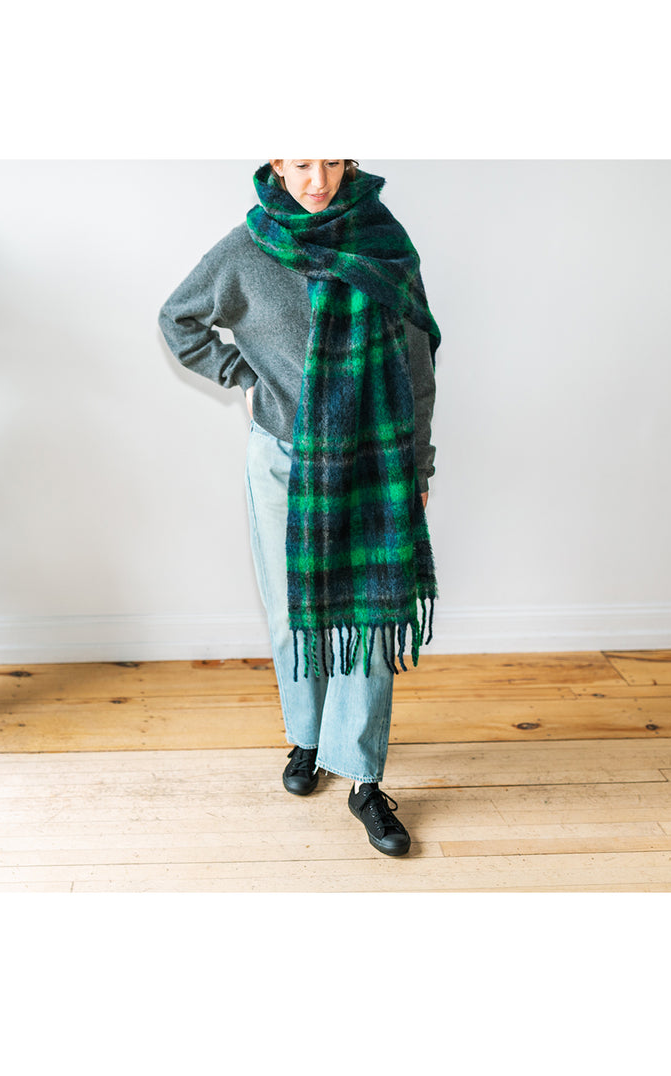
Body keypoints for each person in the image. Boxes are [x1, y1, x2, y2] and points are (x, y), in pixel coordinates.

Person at [158, 159, 441, 857]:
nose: (318, 179)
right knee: (293, 610)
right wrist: (241, 376)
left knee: (370, 616)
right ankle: (308, 739)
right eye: (303, 161)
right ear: (278, 161)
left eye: (332, 160)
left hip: (373, 458)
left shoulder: (383, 241)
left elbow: (417, 364)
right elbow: (178, 319)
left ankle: (365, 780)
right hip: (282, 459)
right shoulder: (247, 250)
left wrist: (419, 463)